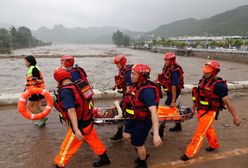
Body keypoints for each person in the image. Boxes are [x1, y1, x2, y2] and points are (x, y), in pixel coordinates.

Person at [180, 60, 241, 161]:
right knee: (208, 129)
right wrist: (193, 107)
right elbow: (198, 95)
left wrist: (236, 117)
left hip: (210, 112)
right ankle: (214, 144)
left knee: (199, 133)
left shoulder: (219, 86)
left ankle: (189, 153)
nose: (204, 73)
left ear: (214, 72)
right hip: (201, 110)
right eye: (204, 71)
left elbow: (228, 102)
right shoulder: (202, 81)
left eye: (207, 72)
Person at [53, 67, 111, 168]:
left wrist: (76, 129)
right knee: (93, 139)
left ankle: (60, 164)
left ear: (58, 80)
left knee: (67, 147)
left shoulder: (66, 91)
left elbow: (71, 110)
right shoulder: (80, 85)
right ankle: (104, 158)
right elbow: (90, 101)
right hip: (87, 120)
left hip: (79, 124)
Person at [122, 64, 162, 168]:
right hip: (135, 117)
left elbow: (153, 112)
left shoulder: (147, 92)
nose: (131, 76)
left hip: (144, 120)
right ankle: (142, 151)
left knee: (138, 144)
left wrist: (156, 134)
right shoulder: (136, 85)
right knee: (126, 135)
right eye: (131, 73)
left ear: (141, 76)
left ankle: (142, 162)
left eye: (134, 74)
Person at [156, 52, 184, 134]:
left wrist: (173, 101)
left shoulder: (175, 71)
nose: (165, 61)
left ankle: (160, 130)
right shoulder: (166, 67)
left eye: (167, 60)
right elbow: (163, 76)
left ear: (172, 60)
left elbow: (174, 87)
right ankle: (178, 126)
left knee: (165, 108)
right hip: (169, 90)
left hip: (174, 91)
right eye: (165, 60)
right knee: (173, 108)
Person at [110, 53, 133, 141]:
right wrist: (115, 86)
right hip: (126, 96)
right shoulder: (122, 71)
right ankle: (120, 132)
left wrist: (124, 101)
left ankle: (123, 133)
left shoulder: (127, 73)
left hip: (129, 97)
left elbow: (129, 88)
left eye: (117, 64)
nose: (117, 66)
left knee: (123, 113)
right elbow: (120, 80)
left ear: (122, 63)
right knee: (121, 112)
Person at [24, 55, 47, 128]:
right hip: (35, 90)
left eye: (26, 61)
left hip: (36, 91)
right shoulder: (32, 68)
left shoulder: (34, 69)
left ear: (30, 62)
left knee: (29, 106)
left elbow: (39, 80)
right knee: (39, 106)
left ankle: (40, 118)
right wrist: (26, 88)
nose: (25, 63)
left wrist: (36, 80)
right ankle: (43, 118)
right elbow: (30, 81)